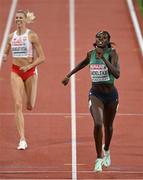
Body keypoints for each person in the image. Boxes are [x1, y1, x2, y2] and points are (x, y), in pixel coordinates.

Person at [62, 31, 120, 172]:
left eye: (104, 37)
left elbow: (117, 74)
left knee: (109, 126)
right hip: (96, 94)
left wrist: (104, 60)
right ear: (96, 39)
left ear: (108, 40)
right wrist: (69, 75)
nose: (101, 39)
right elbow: (82, 64)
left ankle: (106, 150)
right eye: (98, 37)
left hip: (111, 95)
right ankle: (99, 158)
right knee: (98, 123)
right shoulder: (91, 54)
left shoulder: (112, 54)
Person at [3, 10, 45, 150]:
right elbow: (6, 52)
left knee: (30, 106)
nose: (18, 20)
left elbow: (42, 57)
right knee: (18, 104)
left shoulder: (32, 36)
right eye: (17, 18)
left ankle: (31, 94)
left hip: (30, 72)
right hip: (16, 72)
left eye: (21, 18)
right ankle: (22, 139)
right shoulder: (11, 37)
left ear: (25, 20)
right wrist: (3, 56)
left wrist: (30, 66)